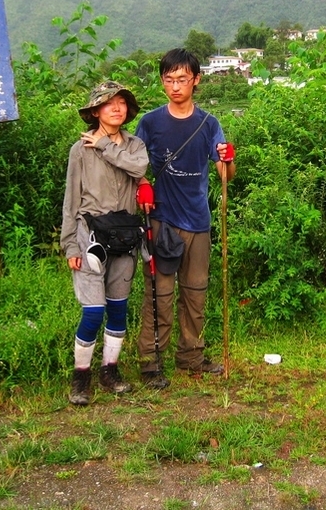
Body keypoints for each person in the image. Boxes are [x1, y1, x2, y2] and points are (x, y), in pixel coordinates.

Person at [135, 48, 235, 389]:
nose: (175, 86)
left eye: (182, 79)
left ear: (196, 80)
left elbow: (225, 173)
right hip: (162, 221)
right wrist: (143, 184)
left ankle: (191, 355)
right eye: (169, 80)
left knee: (195, 293)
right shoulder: (150, 123)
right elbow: (133, 164)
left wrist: (227, 159)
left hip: (198, 222)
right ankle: (151, 362)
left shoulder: (209, 124)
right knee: (159, 295)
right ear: (162, 82)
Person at [60, 81, 148, 406]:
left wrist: (105, 146)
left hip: (125, 237)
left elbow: (139, 167)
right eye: (108, 103)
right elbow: (71, 200)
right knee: (94, 311)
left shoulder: (135, 145)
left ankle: (110, 371)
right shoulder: (80, 150)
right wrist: (70, 244)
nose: (116, 108)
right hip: (90, 237)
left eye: (121, 102)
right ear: (95, 111)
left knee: (118, 308)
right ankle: (80, 376)